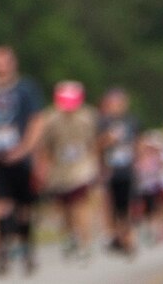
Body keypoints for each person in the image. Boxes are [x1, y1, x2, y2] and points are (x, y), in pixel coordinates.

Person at [0, 47, 45, 276]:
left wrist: (25, 148)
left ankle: (26, 247)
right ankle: (4, 248)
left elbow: (37, 120)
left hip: (22, 157)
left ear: (12, 64)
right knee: (0, 205)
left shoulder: (25, 89)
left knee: (24, 206)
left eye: (3, 62)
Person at [34, 81, 99, 259]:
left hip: (81, 168)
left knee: (80, 204)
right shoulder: (50, 119)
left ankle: (85, 241)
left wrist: (95, 164)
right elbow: (45, 146)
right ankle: (70, 237)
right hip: (59, 170)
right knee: (63, 207)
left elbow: (93, 143)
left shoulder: (87, 117)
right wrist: (43, 167)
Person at [95, 88, 139, 257]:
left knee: (126, 205)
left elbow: (137, 143)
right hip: (110, 170)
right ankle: (115, 235)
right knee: (111, 205)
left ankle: (127, 237)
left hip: (127, 169)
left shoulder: (131, 121)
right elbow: (96, 146)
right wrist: (107, 140)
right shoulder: (103, 123)